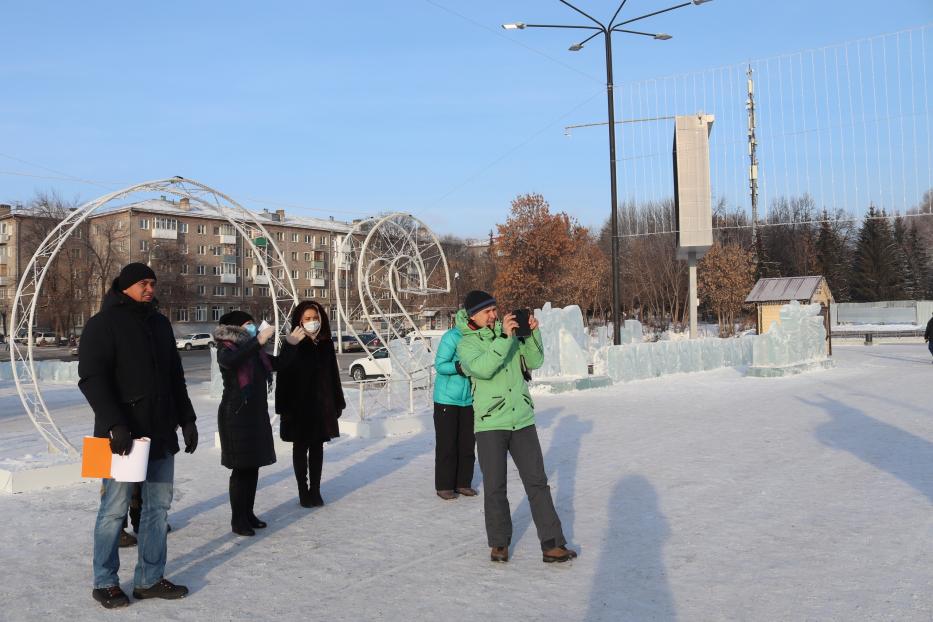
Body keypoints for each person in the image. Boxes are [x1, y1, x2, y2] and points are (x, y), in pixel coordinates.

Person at [79, 263, 198, 609]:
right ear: (127, 286)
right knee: (113, 511)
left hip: (159, 433)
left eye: (152, 283)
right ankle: (105, 581)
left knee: (157, 509)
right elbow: (91, 378)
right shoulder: (103, 324)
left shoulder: (160, 324)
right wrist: (116, 423)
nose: (150, 288)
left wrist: (187, 419)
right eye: (144, 283)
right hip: (119, 438)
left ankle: (149, 579)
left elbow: (176, 377)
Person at [456, 290, 577, 564]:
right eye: (487, 311)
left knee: (537, 483)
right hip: (490, 423)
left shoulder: (507, 332)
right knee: (496, 487)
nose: (494, 314)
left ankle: (552, 544)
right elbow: (484, 368)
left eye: (494, 309)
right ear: (473, 315)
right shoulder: (466, 345)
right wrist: (504, 339)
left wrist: (532, 335)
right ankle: (499, 543)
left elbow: (534, 362)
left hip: (521, 419)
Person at [213, 310, 303, 535]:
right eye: (248, 325)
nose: (253, 328)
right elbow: (232, 362)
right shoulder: (227, 348)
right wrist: (258, 341)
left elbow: (279, 364)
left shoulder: (255, 352)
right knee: (241, 469)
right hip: (235, 416)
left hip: (255, 415)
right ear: (235, 329)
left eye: (253, 325)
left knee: (252, 467)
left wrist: (290, 344)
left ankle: (248, 514)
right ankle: (238, 520)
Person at [275, 301, 346, 508]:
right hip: (298, 407)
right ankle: (303, 491)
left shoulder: (325, 342)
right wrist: (284, 408)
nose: (312, 322)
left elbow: (333, 374)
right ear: (299, 321)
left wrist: (337, 402)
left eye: (315, 318)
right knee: (300, 448)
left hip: (321, 405)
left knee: (318, 448)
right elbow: (283, 377)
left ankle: (315, 489)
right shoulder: (292, 342)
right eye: (307, 319)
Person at [432, 309, 476, 500]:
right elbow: (440, 365)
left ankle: (463, 483)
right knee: (447, 444)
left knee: (467, 444)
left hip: (469, 399)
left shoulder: (479, 337)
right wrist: (459, 367)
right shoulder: (452, 336)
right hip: (446, 400)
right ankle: (444, 485)